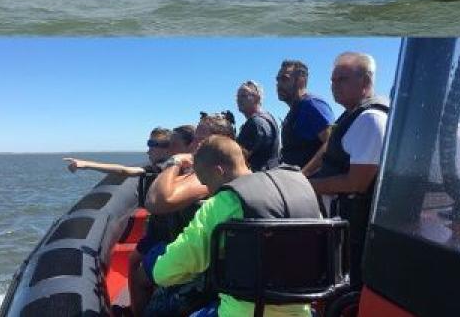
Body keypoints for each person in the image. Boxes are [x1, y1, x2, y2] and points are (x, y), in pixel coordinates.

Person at [147, 135, 322, 317]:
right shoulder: (300, 191)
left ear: (219, 171)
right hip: (303, 312)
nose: (208, 191)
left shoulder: (224, 202)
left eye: (206, 182)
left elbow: (164, 273)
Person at [304, 52, 390, 290]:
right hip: (341, 223)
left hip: (356, 230)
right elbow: (328, 152)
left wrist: (306, 186)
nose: (333, 86)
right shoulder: (351, 116)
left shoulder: (370, 120)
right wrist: (301, 176)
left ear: (365, 82)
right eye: (332, 80)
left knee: (351, 289)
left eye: (341, 79)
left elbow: (357, 183)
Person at [139, 113, 236, 317]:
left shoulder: (212, 175)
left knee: (142, 274)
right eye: (194, 140)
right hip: (203, 257)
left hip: (201, 269)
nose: (193, 147)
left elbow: (157, 202)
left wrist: (173, 162)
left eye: (200, 141)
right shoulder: (215, 171)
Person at [276, 59, 335, 169]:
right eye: (278, 80)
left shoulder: (312, 105)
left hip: (309, 183)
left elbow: (331, 144)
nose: (279, 84)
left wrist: (304, 173)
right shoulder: (294, 109)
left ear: (301, 81)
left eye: (284, 79)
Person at [63, 127, 172, 177]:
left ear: (167, 149)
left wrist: (86, 164)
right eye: (149, 143)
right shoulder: (169, 165)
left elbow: (124, 170)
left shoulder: (163, 167)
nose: (148, 151)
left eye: (153, 144)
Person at [236, 80, 280, 172]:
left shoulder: (254, 123)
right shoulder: (269, 117)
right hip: (272, 174)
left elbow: (237, 158)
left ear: (257, 98)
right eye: (238, 96)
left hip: (258, 177)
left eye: (244, 96)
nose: (239, 100)